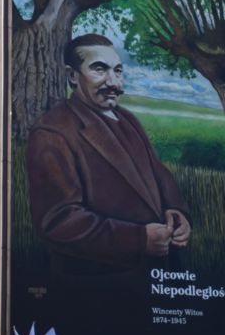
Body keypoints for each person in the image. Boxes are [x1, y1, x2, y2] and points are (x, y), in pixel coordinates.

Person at [26, 33, 191, 273]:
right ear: (72, 76)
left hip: (152, 280)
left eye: (118, 71)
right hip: (96, 283)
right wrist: (138, 239)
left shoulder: (126, 118)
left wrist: (175, 210)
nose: (113, 82)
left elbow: (155, 171)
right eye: (100, 69)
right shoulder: (53, 132)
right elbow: (58, 221)